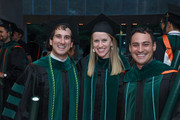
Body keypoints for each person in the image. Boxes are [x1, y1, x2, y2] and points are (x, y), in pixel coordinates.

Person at [2, 17, 82, 120]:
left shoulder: (76, 71)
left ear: (71, 44)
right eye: (58, 36)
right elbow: (21, 105)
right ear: (51, 41)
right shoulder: (35, 69)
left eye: (67, 37)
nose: (62, 41)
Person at [77, 14, 130, 120]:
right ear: (92, 43)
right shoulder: (83, 64)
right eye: (96, 41)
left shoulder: (124, 66)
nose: (100, 45)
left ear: (111, 42)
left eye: (104, 40)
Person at [124, 27, 180, 120]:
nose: (140, 49)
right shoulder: (125, 79)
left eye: (145, 44)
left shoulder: (169, 77)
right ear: (130, 48)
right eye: (135, 45)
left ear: (154, 46)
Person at [0, 19, 28, 119]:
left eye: (1, 32)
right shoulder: (2, 48)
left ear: (9, 33)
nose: (0, 34)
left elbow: (21, 72)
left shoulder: (16, 49)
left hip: (9, 88)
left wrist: (5, 75)